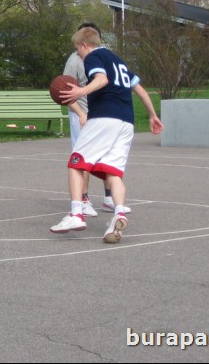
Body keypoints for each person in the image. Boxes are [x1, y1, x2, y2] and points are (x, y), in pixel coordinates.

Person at [51, 26, 163, 243]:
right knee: (113, 172)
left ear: (84, 45)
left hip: (104, 118)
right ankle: (119, 213)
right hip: (126, 123)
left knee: (76, 163)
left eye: (77, 50)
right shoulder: (118, 60)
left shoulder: (93, 57)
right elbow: (140, 90)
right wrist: (152, 115)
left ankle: (76, 214)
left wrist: (80, 91)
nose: (78, 54)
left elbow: (101, 80)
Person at [63, 22, 130, 217]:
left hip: (101, 116)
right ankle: (82, 201)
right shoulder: (75, 60)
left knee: (104, 158)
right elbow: (66, 91)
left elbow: (109, 82)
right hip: (82, 113)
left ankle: (110, 198)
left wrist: (152, 114)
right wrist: (81, 114)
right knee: (82, 159)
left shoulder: (103, 57)